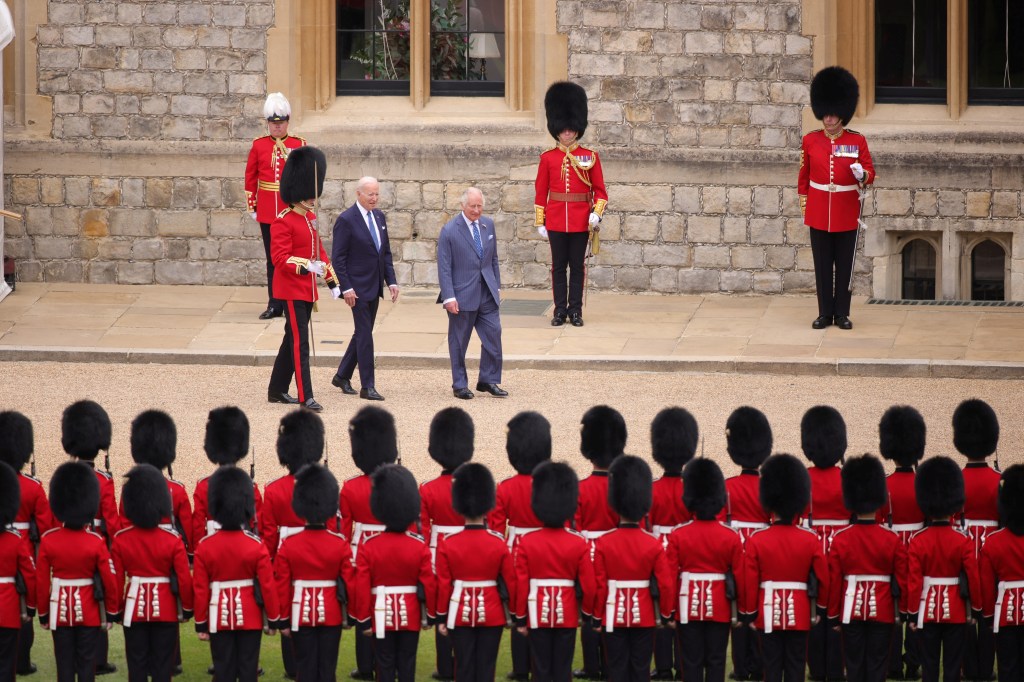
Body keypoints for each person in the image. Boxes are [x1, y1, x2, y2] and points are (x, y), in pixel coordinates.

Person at [799, 66, 876, 331]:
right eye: (826, 114)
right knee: (822, 266)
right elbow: (804, 177)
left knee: (845, 266)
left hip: (846, 210)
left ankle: (842, 313)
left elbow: (870, 173)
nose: (829, 120)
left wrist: (861, 174)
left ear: (842, 113)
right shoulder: (810, 141)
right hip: (820, 209)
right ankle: (824, 313)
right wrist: (806, 207)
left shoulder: (857, 141)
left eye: (833, 115)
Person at [740, 454, 829, 682]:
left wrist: (750, 613)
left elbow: (750, 580)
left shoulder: (757, 539)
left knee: (770, 668)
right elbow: (823, 578)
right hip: (799, 612)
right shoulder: (810, 539)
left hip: (766, 610)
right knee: (796, 668)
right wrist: (819, 609)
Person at [267, 145, 341, 412]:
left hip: (307, 290)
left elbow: (320, 253)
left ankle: (276, 389)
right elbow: (280, 258)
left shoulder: (309, 218)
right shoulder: (282, 222)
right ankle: (305, 395)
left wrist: (333, 283)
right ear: (297, 194)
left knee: (291, 339)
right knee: (300, 343)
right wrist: (306, 266)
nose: (313, 199)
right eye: (309, 195)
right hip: (290, 289)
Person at [193, 466, 282, 682]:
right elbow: (268, 586)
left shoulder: (205, 546)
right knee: (249, 670)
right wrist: (273, 620)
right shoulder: (256, 545)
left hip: (217, 616)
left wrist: (201, 623)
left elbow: (201, 589)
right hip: (250, 617)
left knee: (222, 670)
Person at [350, 465, 436, 682]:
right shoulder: (418, 546)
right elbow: (428, 584)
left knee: (384, 665)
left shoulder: (369, 546)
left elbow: (362, 586)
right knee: (408, 664)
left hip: (379, 613)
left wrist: (364, 620)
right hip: (411, 613)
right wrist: (431, 615)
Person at [593, 456, 675, 682]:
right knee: (640, 669)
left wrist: (597, 616)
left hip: (612, 614)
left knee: (616, 668)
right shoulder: (653, 543)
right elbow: (666, 584)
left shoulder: (604, 542)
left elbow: (600, 585)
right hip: (645, 615)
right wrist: (666, 614)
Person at [826, 455, 907, 682]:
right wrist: (904, 611)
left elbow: (834, 582)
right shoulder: (891, 539)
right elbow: (901, 580)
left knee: (853, 666)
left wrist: (833, 616)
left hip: (850, 610)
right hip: (882, 609)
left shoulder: (841, 539)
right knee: (877, 666)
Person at [37, 461, 120, 682]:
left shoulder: (49, 540)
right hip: (90, 613)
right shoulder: (96, 541)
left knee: (64, 668)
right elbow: (109, 580)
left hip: (59, 612)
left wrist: (44, 613)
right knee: (86, 668)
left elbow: (42, 581)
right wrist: (111, 611)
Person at [514, 461, 596, 682]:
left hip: (536, 612)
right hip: (567, 613)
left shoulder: (527, 542)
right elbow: (589, 585)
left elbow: (522, 583)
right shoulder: (578, 543)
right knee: (562, 669)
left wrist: (520, 618)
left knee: (539, 668)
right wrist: (586, 613)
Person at [534, 81, 608, 327]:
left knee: (577, 268)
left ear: (577, 128)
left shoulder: (590, 157)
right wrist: (540, 221)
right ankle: (559, 311)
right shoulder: (547, 158)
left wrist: (596, 214)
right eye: (563, 128)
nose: (567, 132)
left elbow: (600, 192)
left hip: (580, 221)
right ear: (556, 128)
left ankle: (575, 311)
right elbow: (540, 191)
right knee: (558, 269)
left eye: (571, 128)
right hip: (555, 220)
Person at [112, 464, 194, 682]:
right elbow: (184, 578)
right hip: (166, 610)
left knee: (136, 668)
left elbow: (117, 580)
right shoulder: (173, 540)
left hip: (133, 609)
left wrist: (116, 609)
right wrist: (186, 608)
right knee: (162, 669)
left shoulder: (122, 539)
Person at [488, 411, 554, 681]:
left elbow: (495, 528)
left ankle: (520, 666)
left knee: (519, 605)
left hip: (515, 550)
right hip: (546, 547)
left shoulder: (505, 487)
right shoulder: (550, 484)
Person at [436, 462, 515, 682]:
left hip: (458, 612)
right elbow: (510, 581)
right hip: (492, 613)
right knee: (486, 669)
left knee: (462, 668)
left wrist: (441, 616)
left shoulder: (448, 543)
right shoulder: (498, 542)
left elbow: (444, 584)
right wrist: (517, 614)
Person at [262, 408, 326, 678]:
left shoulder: (274, 490)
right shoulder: (326, 485)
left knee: (288, 603)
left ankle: (293, 666)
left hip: (285, 554)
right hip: (320, 549)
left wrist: (268, 561)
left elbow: (268, 533)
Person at [275, 464, 355, 682]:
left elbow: (282, 585)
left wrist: (283, 619)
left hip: (299, 613)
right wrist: (352, 614)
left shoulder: (289, 545)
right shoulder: (340, 544)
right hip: (332, 614)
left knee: (305, 669)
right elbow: (350, 582)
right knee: (327, 670)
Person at [667, 458, 743, 682]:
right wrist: (742, 611)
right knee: (716, 660)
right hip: (720, 605)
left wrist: (668, 611)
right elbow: (740, 576)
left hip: (686, 603)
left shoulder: (678, 534)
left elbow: (670, 577)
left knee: (690, 661)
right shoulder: (730, 536)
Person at [907, 456, 981, 682]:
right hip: (957, 611)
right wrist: (975, 609)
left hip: (927, 611)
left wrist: (912, 612)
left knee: (929, 667)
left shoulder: (918, 540)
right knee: (952, 667)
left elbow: (914, 582)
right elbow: (973, 577)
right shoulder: (963, 540)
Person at [340, 405, 400, 680]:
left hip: (360, 548)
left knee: (363, 603)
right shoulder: (398, 484)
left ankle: (365, 665)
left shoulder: (351, 487)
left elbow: (344, 528)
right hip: (392, 546)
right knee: (389, 602)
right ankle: (390, 662)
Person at [60, 400, 119, 676]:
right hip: (97, 543)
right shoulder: (104, 481)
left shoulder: (64, 477)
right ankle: (97, 660)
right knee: (98, 598)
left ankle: (69, 658)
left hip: (66, 542)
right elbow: (112, 519)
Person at [330, 176, 399, 401]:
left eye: (377, 194)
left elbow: (384, 253)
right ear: (358, 194)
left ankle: (342, 375)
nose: (374, 198)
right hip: (356, 289)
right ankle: (367, 386)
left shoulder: (379, 217)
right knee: (365, 336)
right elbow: (338, 259)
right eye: (370, 194)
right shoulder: (346, 220)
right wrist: (346, 288)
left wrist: (392, 282)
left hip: (374, 285)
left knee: (362, 332)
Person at [717, 406, 772, 682]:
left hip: (736, 550)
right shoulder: (768, 486)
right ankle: (759, 666)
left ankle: (740, 667)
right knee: (759, 610)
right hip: (762, 552)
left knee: (739, 611)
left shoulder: (727, 487)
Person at [420, 407, 475, 681]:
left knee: (444, 603)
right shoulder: (476, 485)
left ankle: (445, 667)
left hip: (438, 549)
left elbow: (423, 526)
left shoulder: (428, 489)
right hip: (470, 547)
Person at [437, 187, 506, 400]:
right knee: (459, 342)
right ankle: (459, 384)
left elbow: (493, 258)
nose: (476, 210)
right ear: (463, 206)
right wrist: (449, 296)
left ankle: (488, 379)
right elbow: (444, 267)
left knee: (494, 335)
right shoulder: (449, 230)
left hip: (486, 292)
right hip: (462, 295)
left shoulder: (488, 225)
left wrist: (496, 285)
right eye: (472, 206)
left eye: (479, 206)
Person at [0, 411, 53, 677]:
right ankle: (21, 662)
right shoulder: (32, 487)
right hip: (21, 551)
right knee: (23, 610)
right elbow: (45, 527)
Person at [648, 407, 699, 681]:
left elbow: (646, 523)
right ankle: (683, 665)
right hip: (686, 549)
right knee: (681, 609)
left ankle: (664, 665)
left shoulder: (653, 489)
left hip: (659, 549)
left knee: (660, 606)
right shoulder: (691, 488)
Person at [245, 92, 306, 320]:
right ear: (268, 124)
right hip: (269, 212)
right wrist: (252, 207)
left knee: (291, 257)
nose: (277, 128)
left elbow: (305, 178)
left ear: (287, 123)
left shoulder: (298, 145)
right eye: (273, 124)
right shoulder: (259, 146)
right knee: (273, 259)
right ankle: (274, 303)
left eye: (280, 124)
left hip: (292, 211)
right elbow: (250, 177)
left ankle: (292, 299)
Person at [575, 405, 625, 680]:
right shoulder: (623, 486)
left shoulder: (581, 489)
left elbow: (576, 526)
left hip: (588, 553)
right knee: (612, 605)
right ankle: (610, 662)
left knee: (589, 609)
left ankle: (591, 665)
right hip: (617, 551)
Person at [952, 399, 1001, 682]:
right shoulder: (999, 480)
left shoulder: (955, 480)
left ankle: (968, 667)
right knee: (991, 613)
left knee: (967, 611)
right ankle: (986, 668)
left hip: (963, 549)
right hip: (993, 550)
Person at [877, 406, 926, 680]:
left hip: (892, 549)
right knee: (915, 608)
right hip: (917, 551)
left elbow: (880, 521)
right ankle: (913, 660)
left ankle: (894, 663)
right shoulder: (923, 484)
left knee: (894, 610)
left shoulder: (885, 485)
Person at [800, 405, 848, 682]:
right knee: (838, 611)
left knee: (814, 610)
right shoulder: (846, 478)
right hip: (841, 549)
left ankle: (816, 669)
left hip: (812, 548)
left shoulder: (803, 477)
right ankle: (836, 667)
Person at [192, 406, 263, 544]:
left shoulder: (203, 486)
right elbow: (259, 523)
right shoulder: (250, 487)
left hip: (210, 548)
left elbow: (198, 526)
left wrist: (196, 552)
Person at [979, 465, 1024, 682]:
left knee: (1007, 669)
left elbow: (988, 587)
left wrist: (988, 615)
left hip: (1005, 615)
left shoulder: (993, 542)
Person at [0, 461, 36, 682]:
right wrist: (30, 607)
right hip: (7, 610)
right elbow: (30, 574)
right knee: (6, 665)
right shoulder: (15, 541)